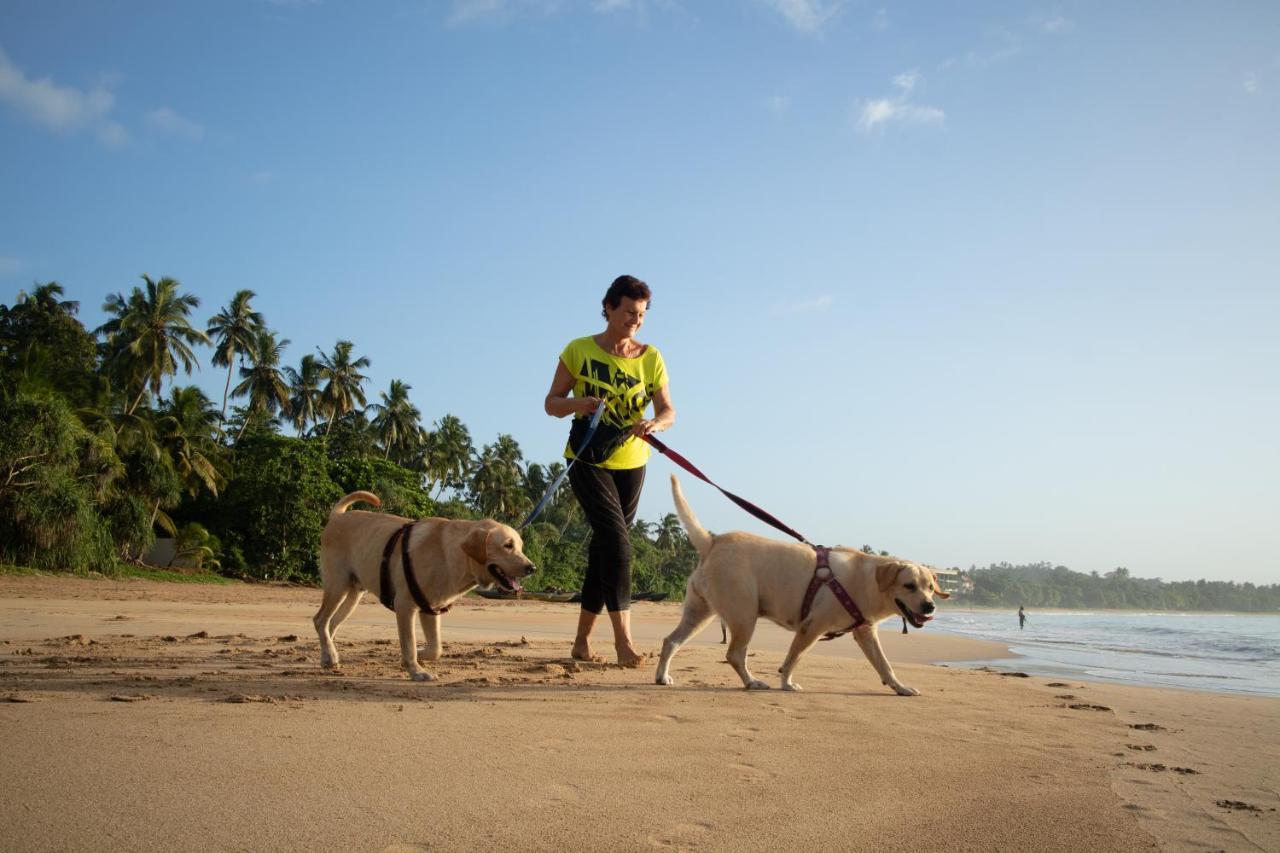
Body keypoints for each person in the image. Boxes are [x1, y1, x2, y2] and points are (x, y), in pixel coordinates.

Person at [544, 275, 675, 667]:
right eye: (629, 312)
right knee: (618, 545)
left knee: (604, 550)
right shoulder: (579, 350)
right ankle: (624, 642)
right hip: (586, 458)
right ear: (608, 307)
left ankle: (582, 642)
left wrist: (655, 424)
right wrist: (578, 403)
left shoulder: (651, 357)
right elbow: (551, 403)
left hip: (633, 462)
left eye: (641, 315)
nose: (635, 320)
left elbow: (669, 410)